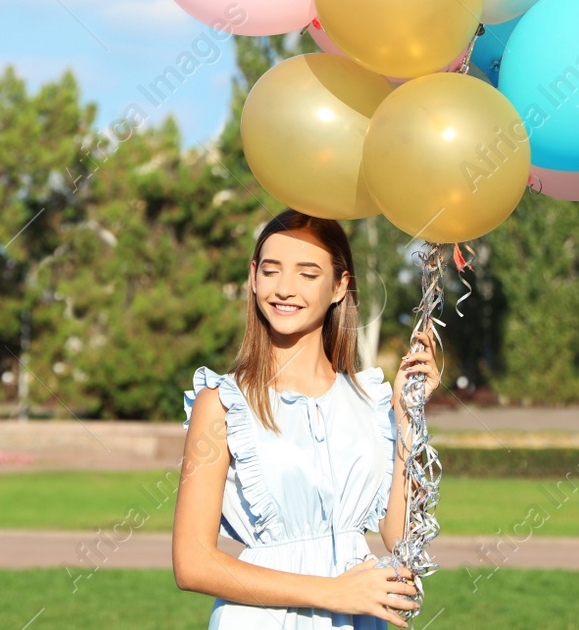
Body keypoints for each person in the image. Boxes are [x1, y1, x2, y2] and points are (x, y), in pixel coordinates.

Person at [172, 209, 442, 628]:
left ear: (339, 286)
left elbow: (400, 539)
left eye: (307, 274)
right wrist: (332, 592)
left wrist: (408, 417)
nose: (284, 289)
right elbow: (192, 563)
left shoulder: (370, 401)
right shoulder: (223, 402)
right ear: (253, 277)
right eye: (271, 270)